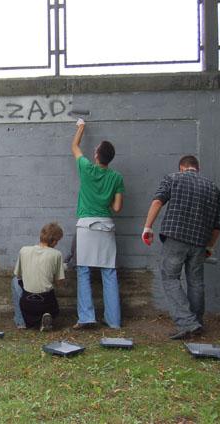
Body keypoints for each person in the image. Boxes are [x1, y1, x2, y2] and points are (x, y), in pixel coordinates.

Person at [141, 155, 220, 340]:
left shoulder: (173, 178)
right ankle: (196, 323)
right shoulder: (214, 189)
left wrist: (147, 227)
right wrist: (210, 246)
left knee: (170, 277)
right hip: (200, 242)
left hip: (176, 238)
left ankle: (188, 322)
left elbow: (157, 201)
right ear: (197, 168)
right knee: (196, 281)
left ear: (181, 167)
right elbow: (218, 224)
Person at [70, 118, 124, 330]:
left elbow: (74, 147)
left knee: (83, 271)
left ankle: (86, 318)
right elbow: (117, 208)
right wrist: (106, 196)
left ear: (96, 155)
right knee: (108, 272)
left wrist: (81, 127)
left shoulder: (86, 169)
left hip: (86, 226)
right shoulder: (117, 177)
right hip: (106, 226)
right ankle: (114, 320)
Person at [12, 222, 66, 331]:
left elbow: (18, 275)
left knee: (14, 281)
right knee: (49, 289)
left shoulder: (24, 250)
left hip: (27, 304)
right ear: (54, 240)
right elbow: (60, 283)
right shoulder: (56, 254)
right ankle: (46, 316)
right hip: (47, 303)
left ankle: (21, 322)